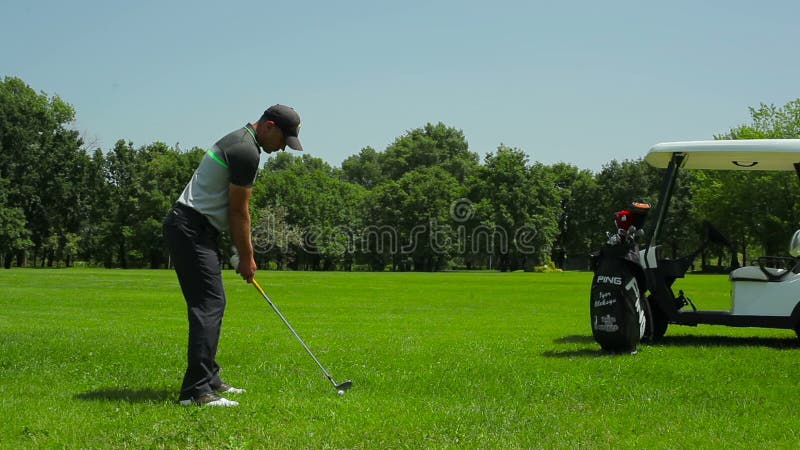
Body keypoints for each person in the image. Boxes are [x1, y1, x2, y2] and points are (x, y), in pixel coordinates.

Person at [163, 104, 303, 406]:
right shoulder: (246, 151)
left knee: (212, 303)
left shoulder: (242, 141)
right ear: (268, 126)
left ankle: (209, 379)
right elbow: (239, 211)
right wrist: (247, 256)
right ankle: (196, 392)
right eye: (282, 140)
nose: (281, 149)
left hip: (196, 229)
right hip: (189, 228)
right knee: (209, 305)